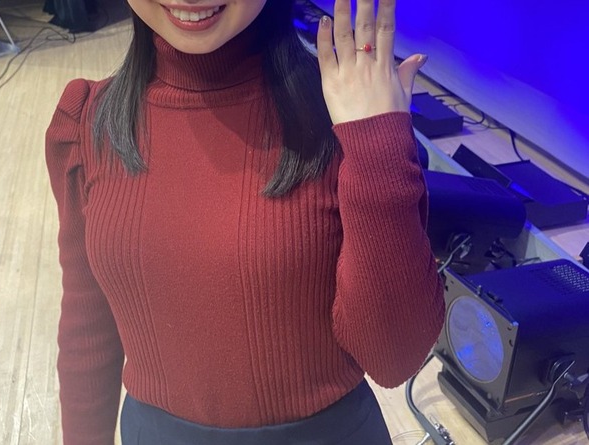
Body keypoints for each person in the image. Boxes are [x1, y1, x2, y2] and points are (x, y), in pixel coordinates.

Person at [45, 0, 445, 443]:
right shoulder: (88, 123)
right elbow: (88, 327)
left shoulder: (342, 114)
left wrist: (376, 148)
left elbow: (394, 358)